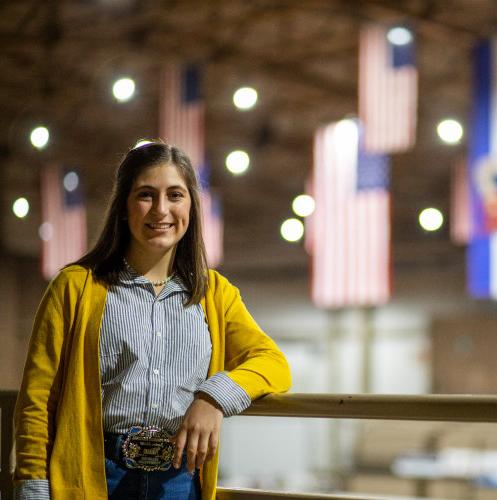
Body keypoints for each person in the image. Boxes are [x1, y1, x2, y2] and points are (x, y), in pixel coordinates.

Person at [13, 142, 292, 500]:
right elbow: (37, 400)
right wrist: (32, 487)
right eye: (146, 195)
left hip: (180, 481)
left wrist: (213, 398)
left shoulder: (215, 293)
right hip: (94, 477)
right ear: (124, 208)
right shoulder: (75, 287)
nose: (161, 210)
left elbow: (273, 363)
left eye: (175, 195)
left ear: (190, 205)